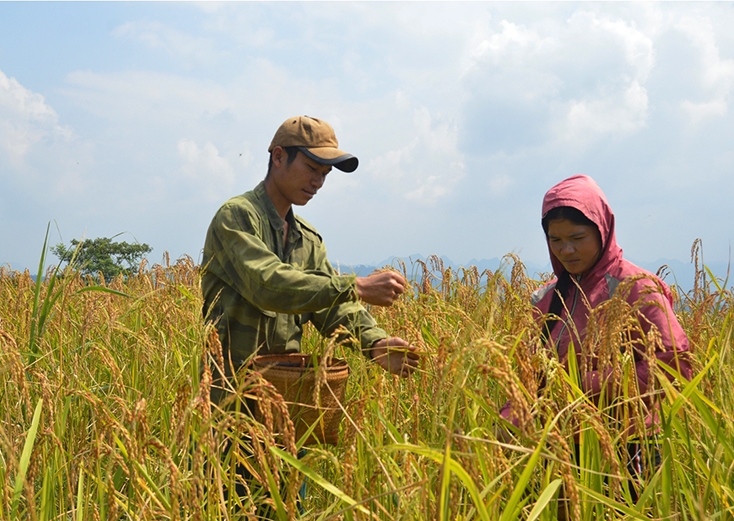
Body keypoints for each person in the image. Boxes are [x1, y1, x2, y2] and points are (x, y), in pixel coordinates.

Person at [500, 174, 693, 505]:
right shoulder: (547, 298)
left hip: (627, 449)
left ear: (602, 230)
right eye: (556, 240)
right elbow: (527, 373)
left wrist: (582, 387)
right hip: (560, 449)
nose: (567, 250)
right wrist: (510, 419)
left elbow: (673, 363)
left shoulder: (636, 288)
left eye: (577, 237)